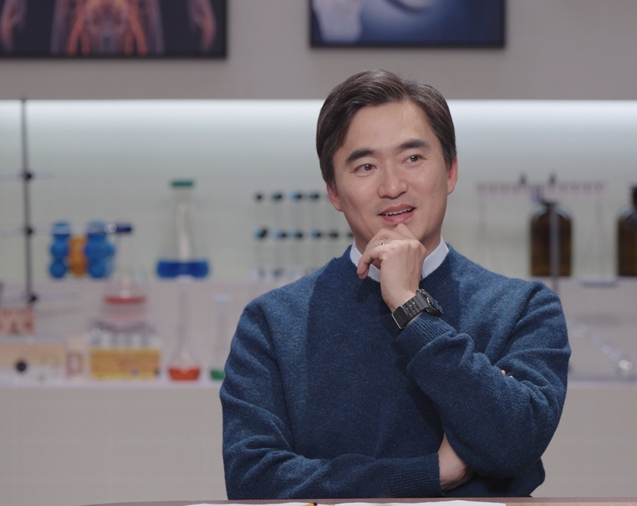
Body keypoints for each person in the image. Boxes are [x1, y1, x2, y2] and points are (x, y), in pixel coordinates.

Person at [220, 69, 570, 499]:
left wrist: (410, 306)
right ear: (334, 192)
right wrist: (431, 474)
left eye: (413, 159)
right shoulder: (272, 323)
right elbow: (252, 481)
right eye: (365, 166)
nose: (392, 186)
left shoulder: (523, 308)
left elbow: (514, 443)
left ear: (451, 171)